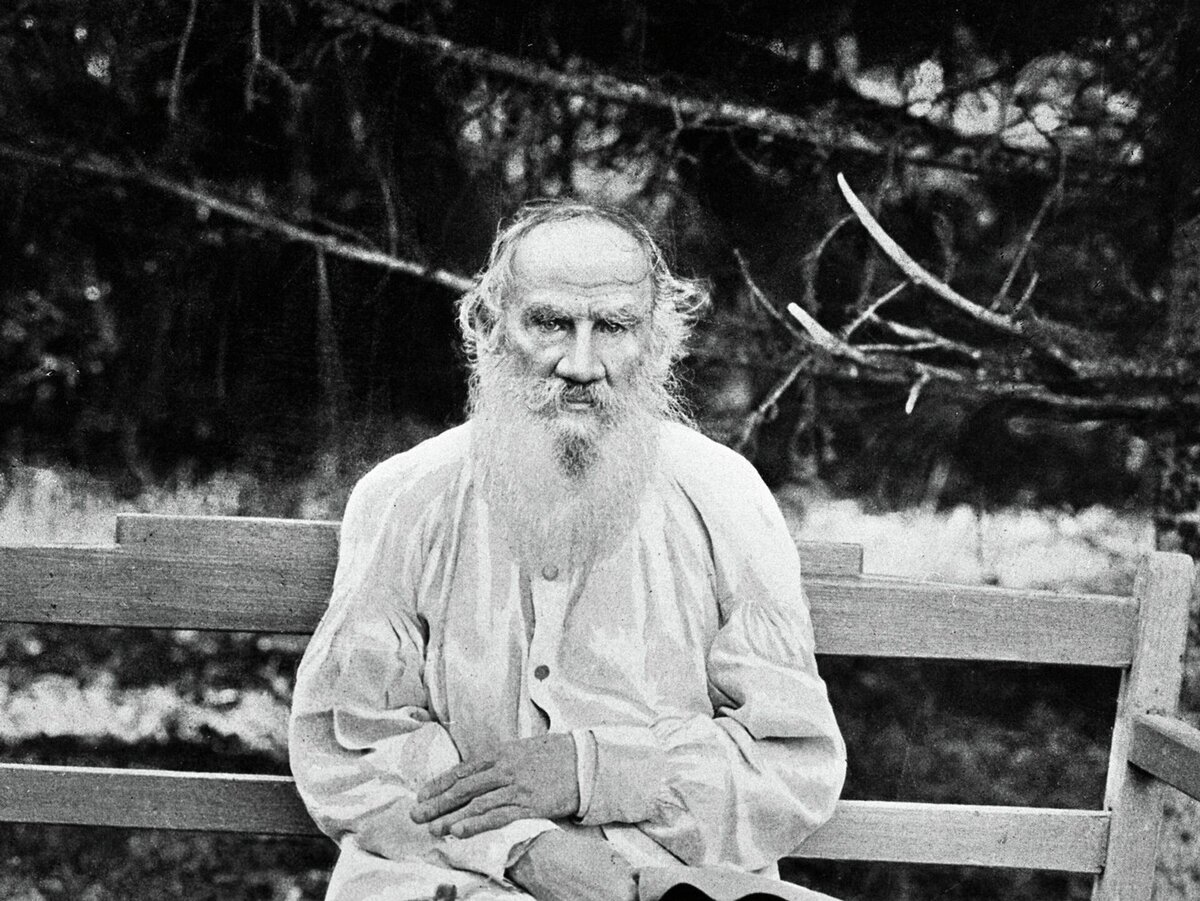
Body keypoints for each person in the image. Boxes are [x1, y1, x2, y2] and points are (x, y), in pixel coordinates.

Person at [288, 200, 846, 901]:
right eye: (550, 323)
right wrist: (521, 848)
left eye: (613, 327)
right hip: (455, 879)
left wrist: (591, 771)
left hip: (668, 883)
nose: (581, 364)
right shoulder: (406, 499)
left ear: (659, 339)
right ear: (487, 327)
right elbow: (352, 749)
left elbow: (791, 762)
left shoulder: (723, 497)